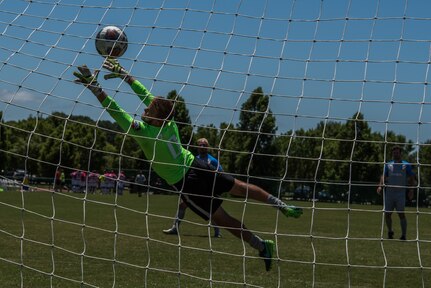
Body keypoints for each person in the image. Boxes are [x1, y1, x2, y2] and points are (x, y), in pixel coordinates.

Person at [73, 58, 303, 271]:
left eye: (149, 110)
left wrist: (95, 87)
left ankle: (262, 246)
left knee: (221, 218)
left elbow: (116, 111)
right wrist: (126, 76)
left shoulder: (144, 133)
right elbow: (145, 96)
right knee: (239, 187)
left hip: (186, 183)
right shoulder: (169, 122)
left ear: (156, 118)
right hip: (198, 166)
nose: (144, 109)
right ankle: (280, 204)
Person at [163, 138, 222, 237]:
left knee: (211, 209)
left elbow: (220, 173)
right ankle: (175, 228)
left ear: (207, 147)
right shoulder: (194, 159)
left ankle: (217, 232)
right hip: (194, 188)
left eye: (204, 145)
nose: (202, 147)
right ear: (197, 147)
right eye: (200, 145)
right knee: (182, 205)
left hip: (207, 189)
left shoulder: (212, 160)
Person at [377, 146, 416, 240]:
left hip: (400, 193)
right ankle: (390, 231)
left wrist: (411, 190)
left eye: (397, 153)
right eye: (394, 153)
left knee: (401, 213)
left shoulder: (406, 165)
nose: (396, 154)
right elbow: (383, 175)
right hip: (389, 193)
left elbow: (412, 177)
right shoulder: (388, 165)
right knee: (387, 214)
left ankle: (404, 235)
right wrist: (380, 185)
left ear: (400, 153)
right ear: (392, 154)